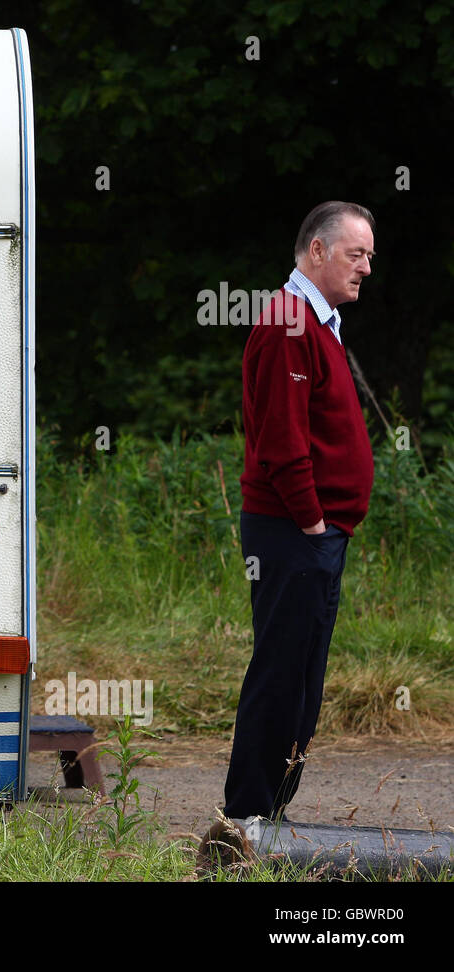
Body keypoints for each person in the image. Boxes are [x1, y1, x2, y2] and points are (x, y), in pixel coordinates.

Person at [221, 201, 376, 842]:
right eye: (355, 253)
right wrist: (312, 521)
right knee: (282, 668)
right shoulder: (288, 321)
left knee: (305, 676)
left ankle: (272, 812)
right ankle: (247, 813)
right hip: (292, 531)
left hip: (318, 533)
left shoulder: (321, 323)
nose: (367, 266)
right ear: (317, 251)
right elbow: (282, 441)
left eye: (370, 255)